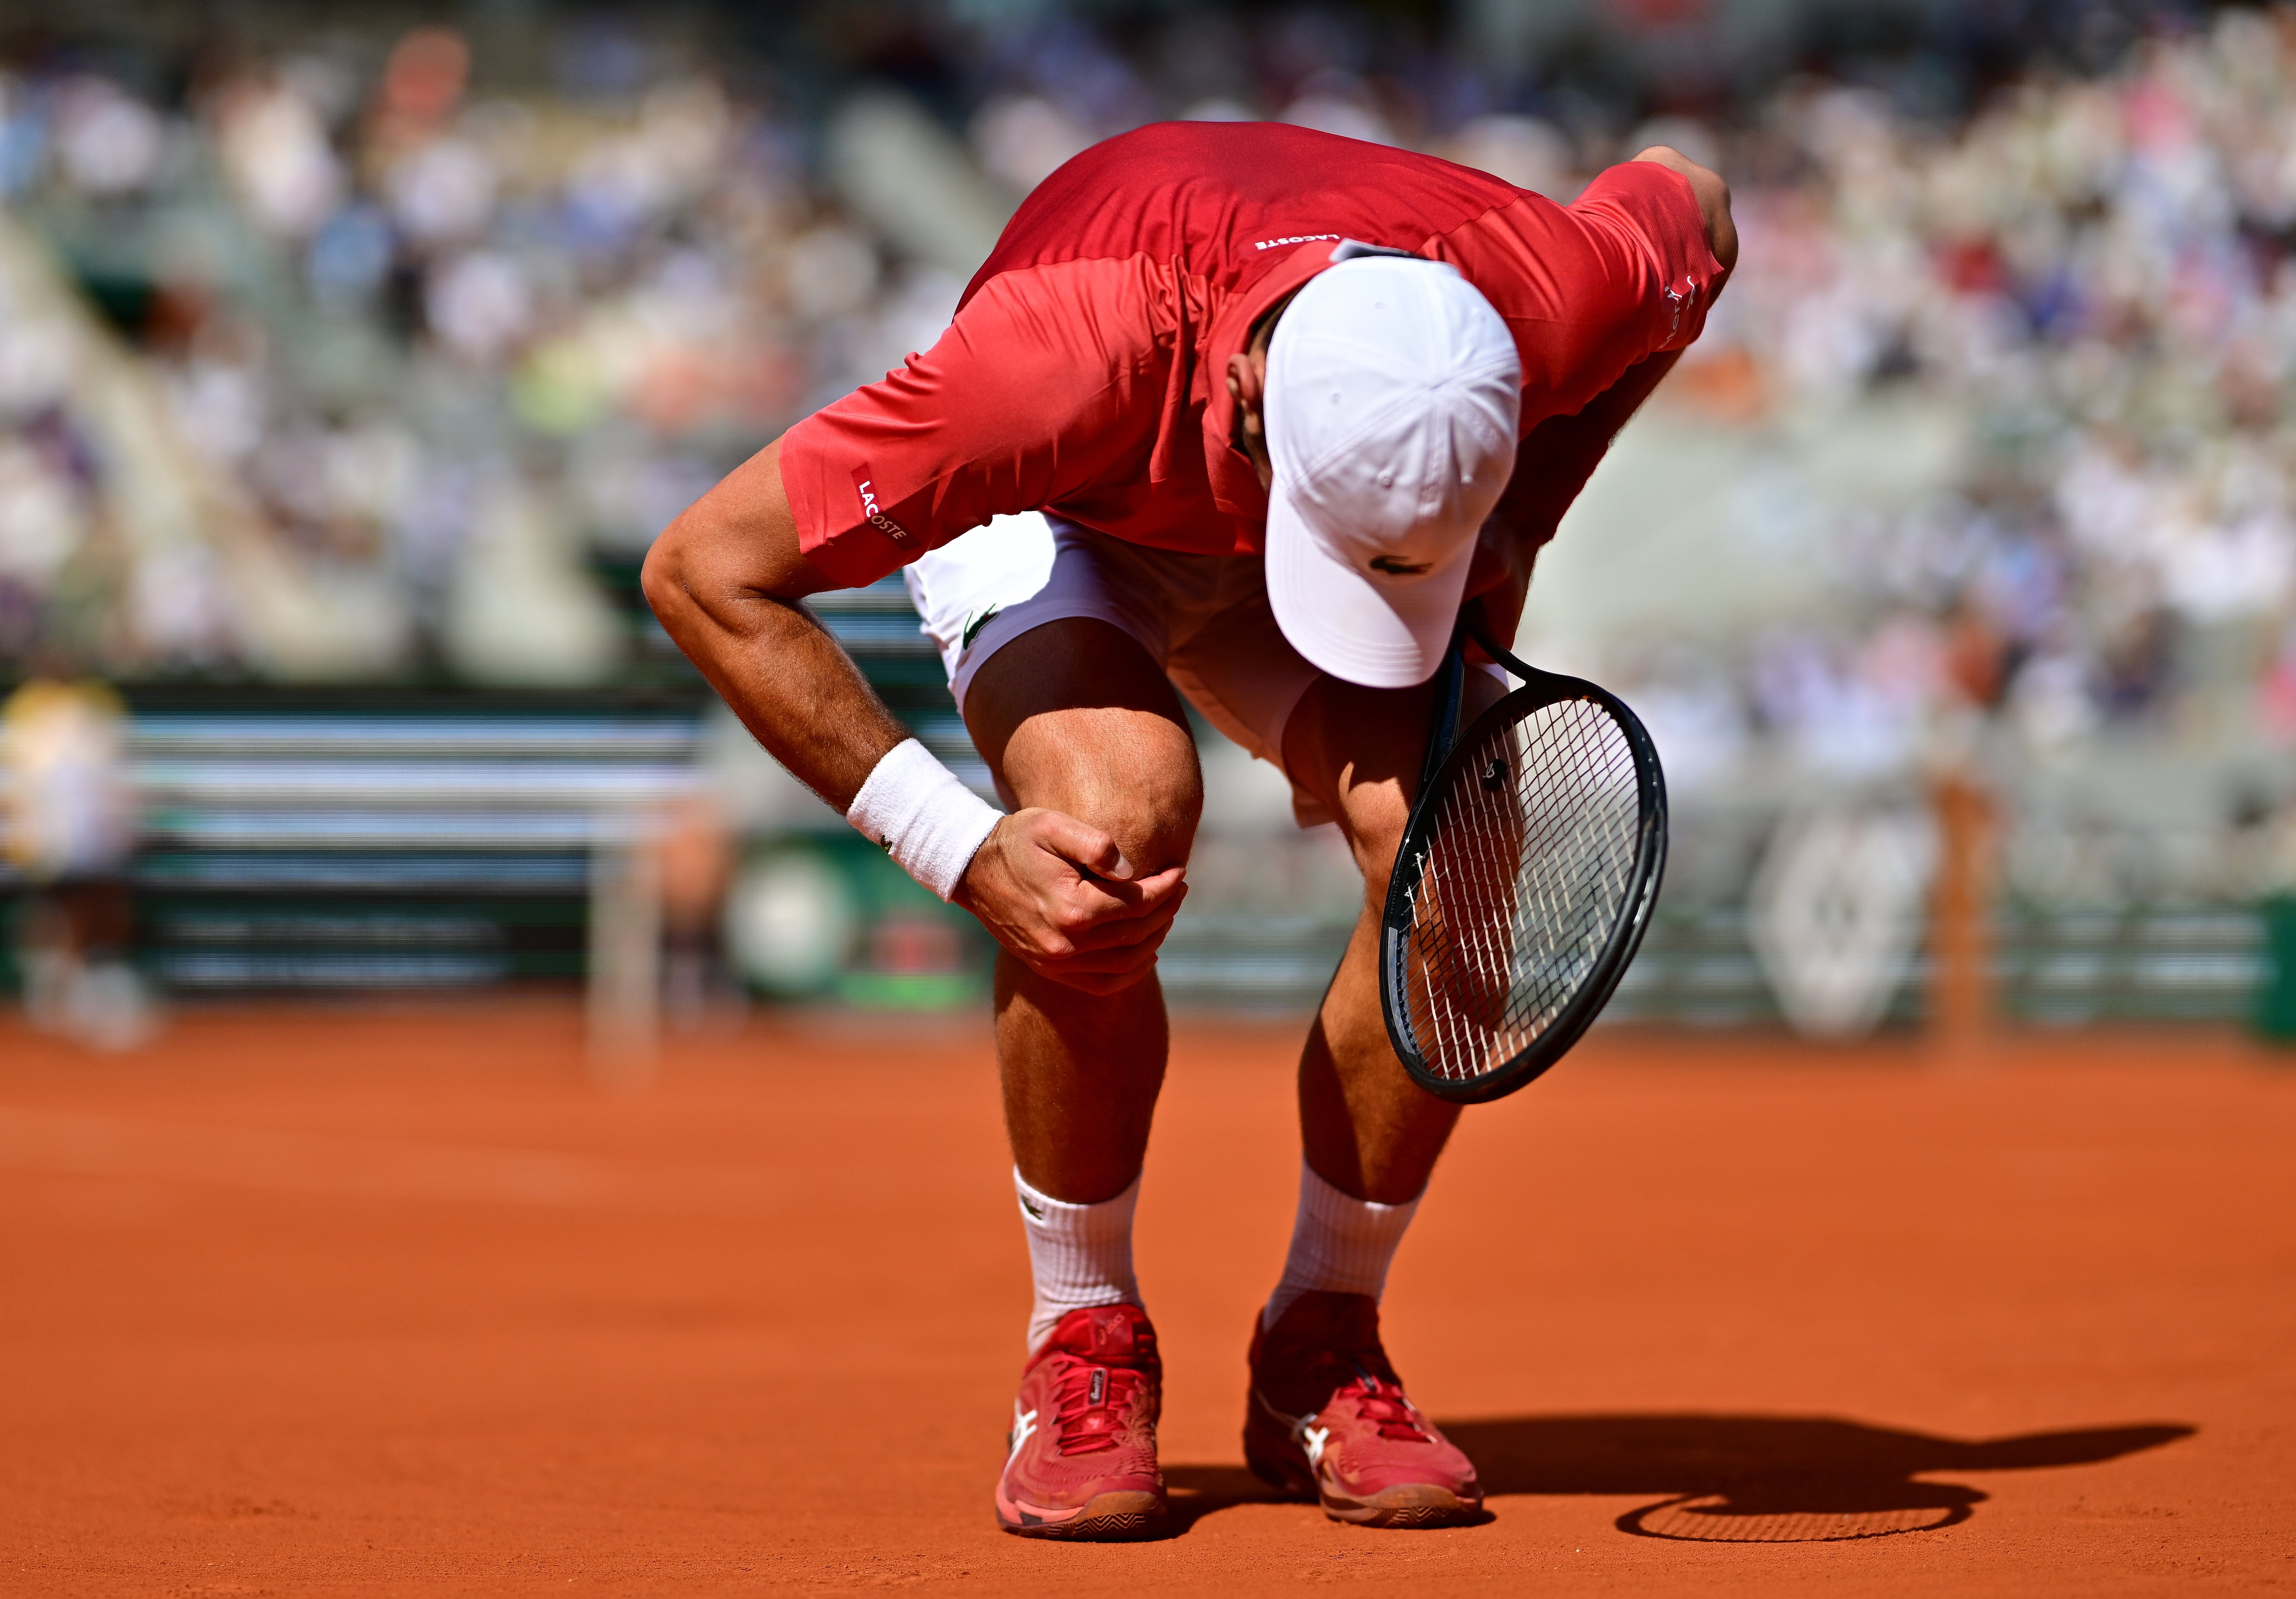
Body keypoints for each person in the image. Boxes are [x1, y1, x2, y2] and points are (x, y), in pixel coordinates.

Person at [646, 119, 1734, 1539]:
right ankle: (1082, 1335)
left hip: (1297, 496)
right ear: (1243, 391)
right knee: (1110, 826)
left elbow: (1696, 209)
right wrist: (964, 851)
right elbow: (703, 570)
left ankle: (1322, 1344)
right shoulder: (1040, 367)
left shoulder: (1546, 290)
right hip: (1070, 505)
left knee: (1461, 848)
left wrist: (1525, 504)